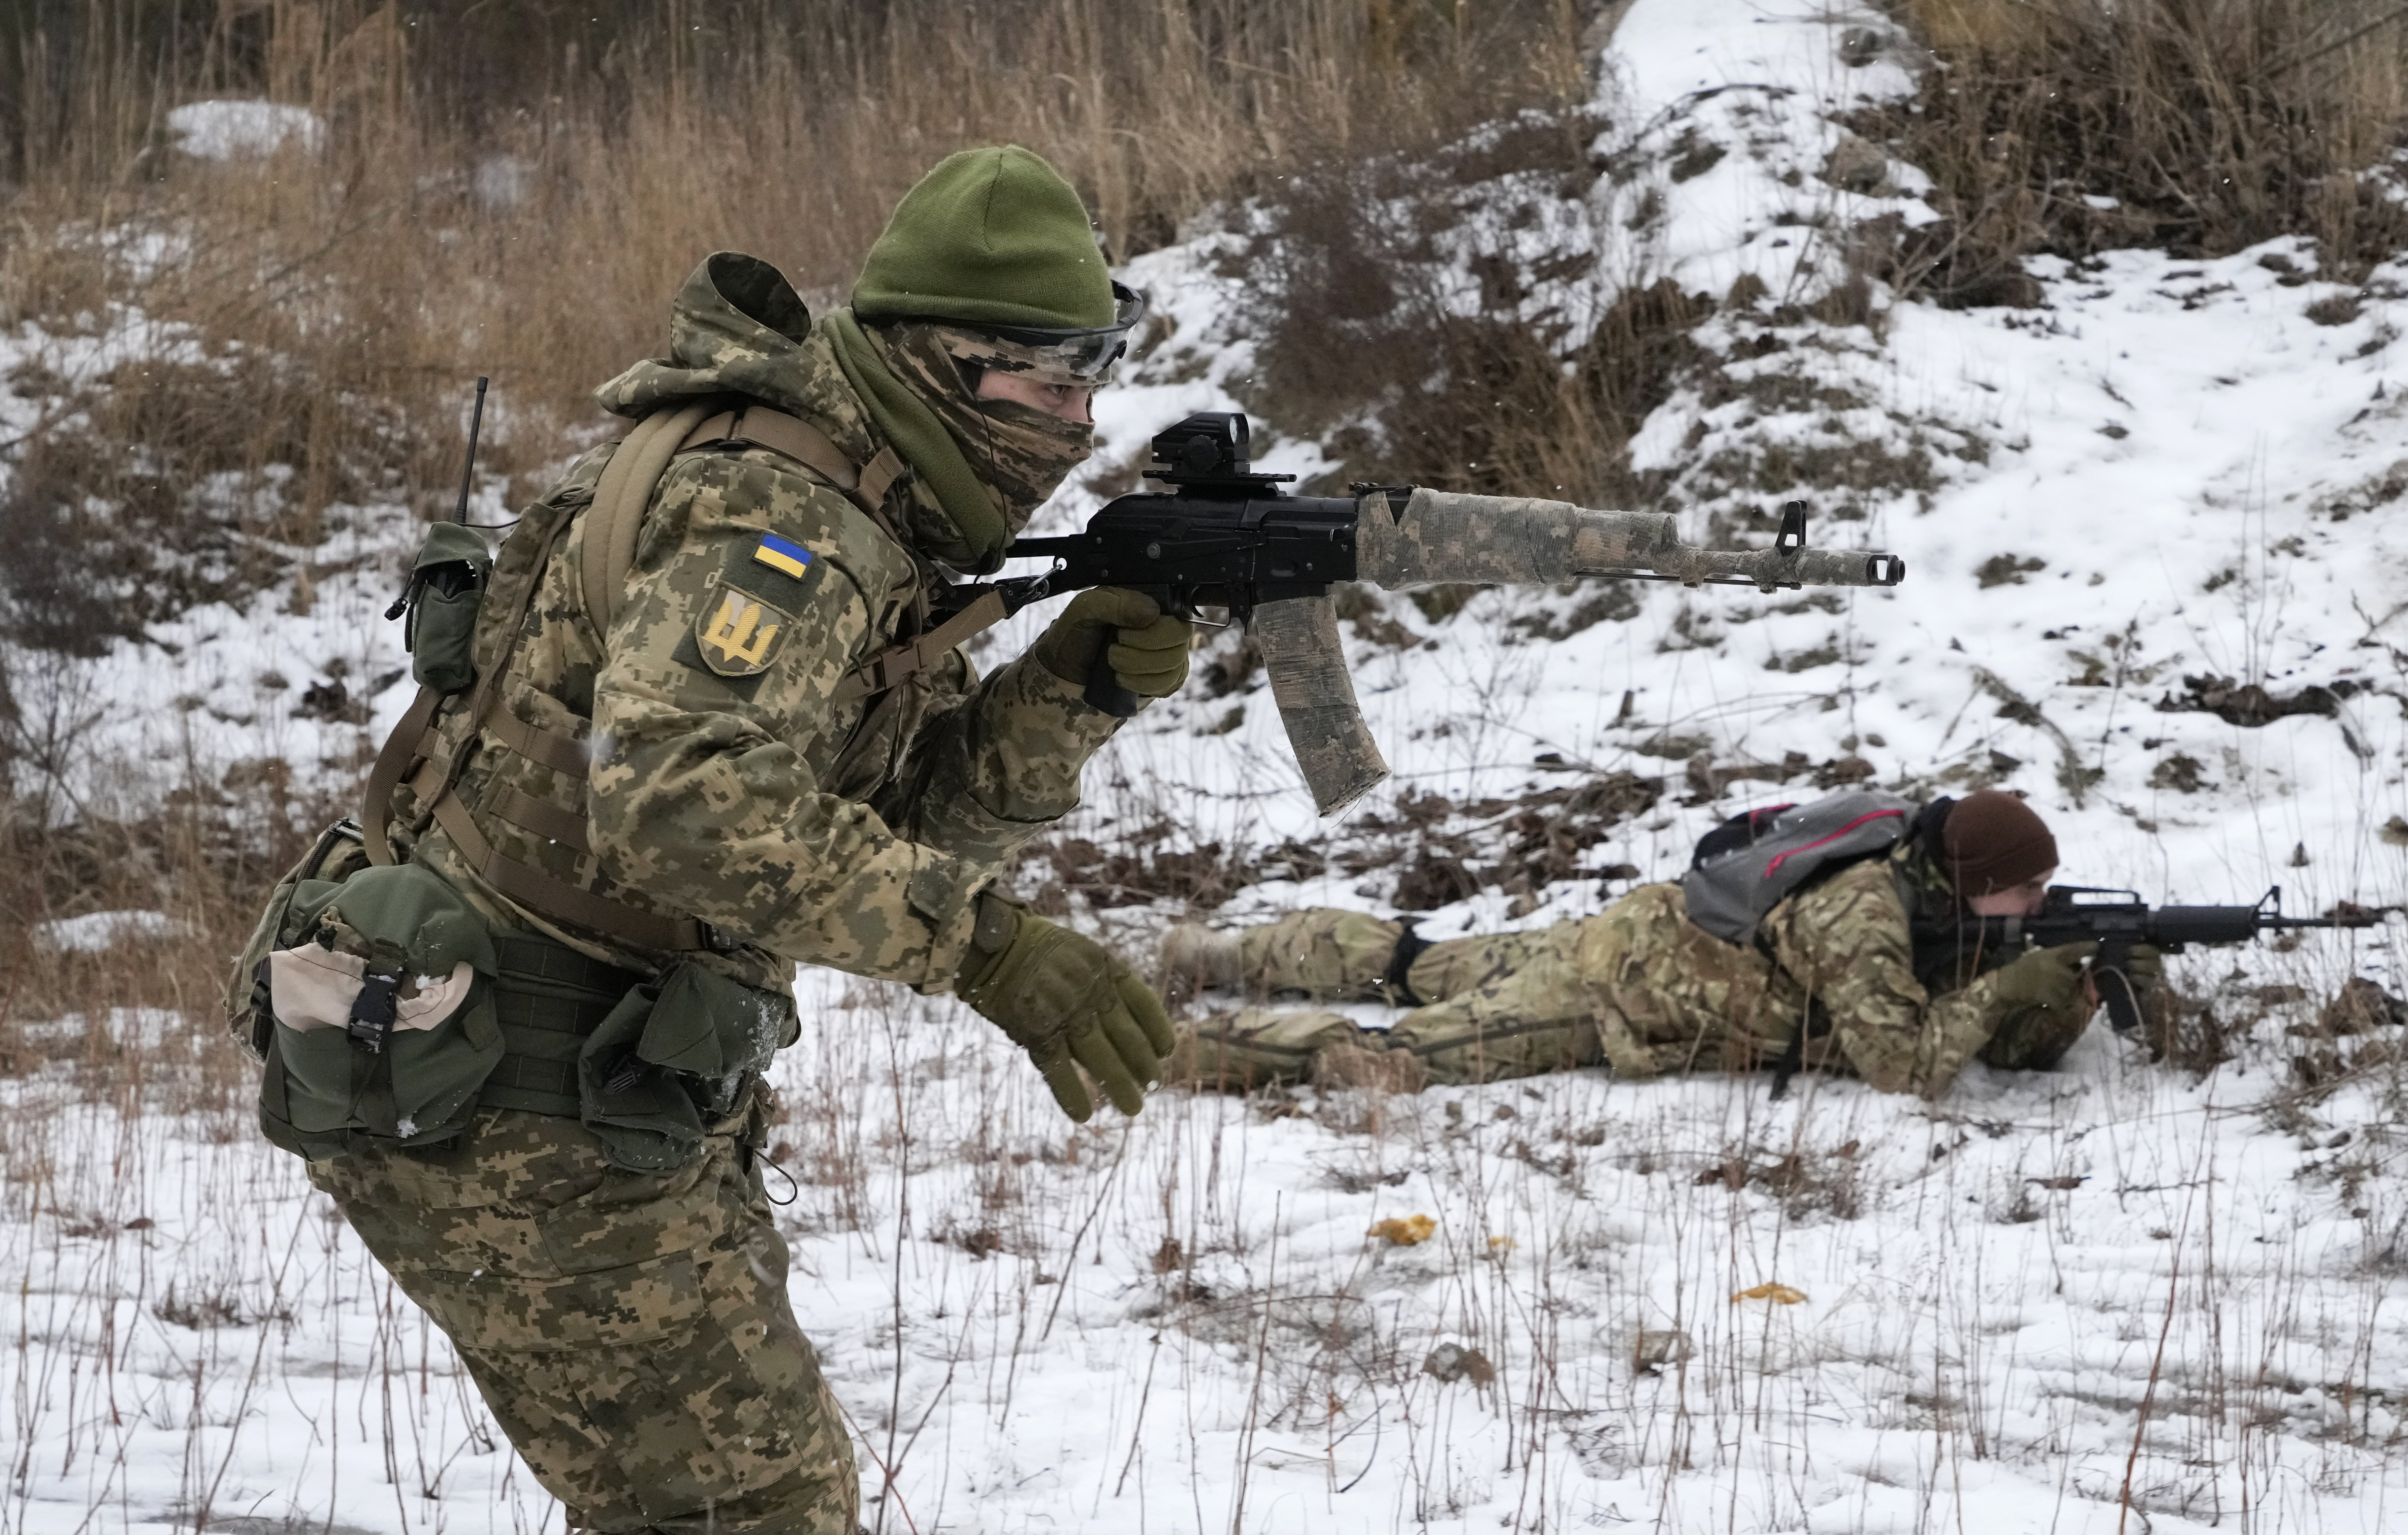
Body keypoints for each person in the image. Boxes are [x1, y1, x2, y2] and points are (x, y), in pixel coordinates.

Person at [287, 147, 1182, 1534]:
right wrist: (994, 955)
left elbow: (861, 832)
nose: (1075, 424)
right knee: (752, 1512)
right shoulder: (780, 518)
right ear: (938, 363)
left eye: (1085, 385)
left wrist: (1074, 691)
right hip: (513, 1087)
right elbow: (687, 807)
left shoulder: (868, 499)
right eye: (1045, 384)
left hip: (593, 1076)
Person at [1166, 790, 2160, 1099]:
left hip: (1632, 932)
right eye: (2025, 891)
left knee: (1416, 965)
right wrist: (2005, 988)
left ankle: (1213, 956)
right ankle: (1155, 1042)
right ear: (1978, 884)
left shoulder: (1924, 866)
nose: (2037, 902)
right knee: (1392, 1057)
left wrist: (2087, 972)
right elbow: (1901, 1061)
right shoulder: (1864, 911)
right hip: (1622, 998)